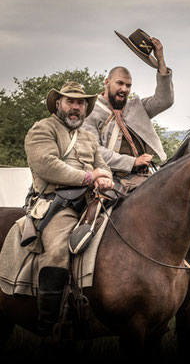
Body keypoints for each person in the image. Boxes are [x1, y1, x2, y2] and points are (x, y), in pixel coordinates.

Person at [24, 81, 114, 334]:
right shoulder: (42, 129)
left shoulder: (88, 136)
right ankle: (49, 325)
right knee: (58, 251)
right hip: (57, 203)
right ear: (58, 104)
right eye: (70, 102)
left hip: (92, 202)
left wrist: (105, 177)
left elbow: (102, 164)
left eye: (81, 103)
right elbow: (47, 166)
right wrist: (90, 177)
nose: (76, 107)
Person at [82, 35, 174, 189]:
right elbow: (94, 150)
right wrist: (132, 162)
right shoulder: (90, 111)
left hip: (142, 175)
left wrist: (161, 63)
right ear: (107, 82)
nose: (124, 89)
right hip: (109, 177)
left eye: (128, 85)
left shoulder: (136, 107)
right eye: (119, 83)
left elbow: (165, 100)